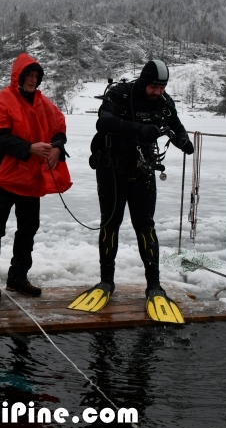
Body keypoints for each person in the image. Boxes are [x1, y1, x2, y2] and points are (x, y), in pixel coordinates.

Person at [73, 60, 194, 322]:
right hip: (112, 170)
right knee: (110, 224)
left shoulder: (163, 101)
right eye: (154, 86)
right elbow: (105, 122)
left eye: (162, 87)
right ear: (143, 81)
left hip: (142, 170)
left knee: (145, 225)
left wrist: (182, 139)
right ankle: (106, 282)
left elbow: (175, 124)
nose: (158, 92)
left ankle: (154, 285)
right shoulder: (119, 95)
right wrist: (139, 128)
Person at [0, 53, 72, 300]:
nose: (33, 80)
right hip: (5, 179)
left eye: (37, 76)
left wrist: (57, 148)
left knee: (28, 230)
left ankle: (17, 278)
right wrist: (30, 148)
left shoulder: (44, 104)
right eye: (29, 75)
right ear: (18, 76)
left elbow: (59, 128)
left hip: (30, 181)